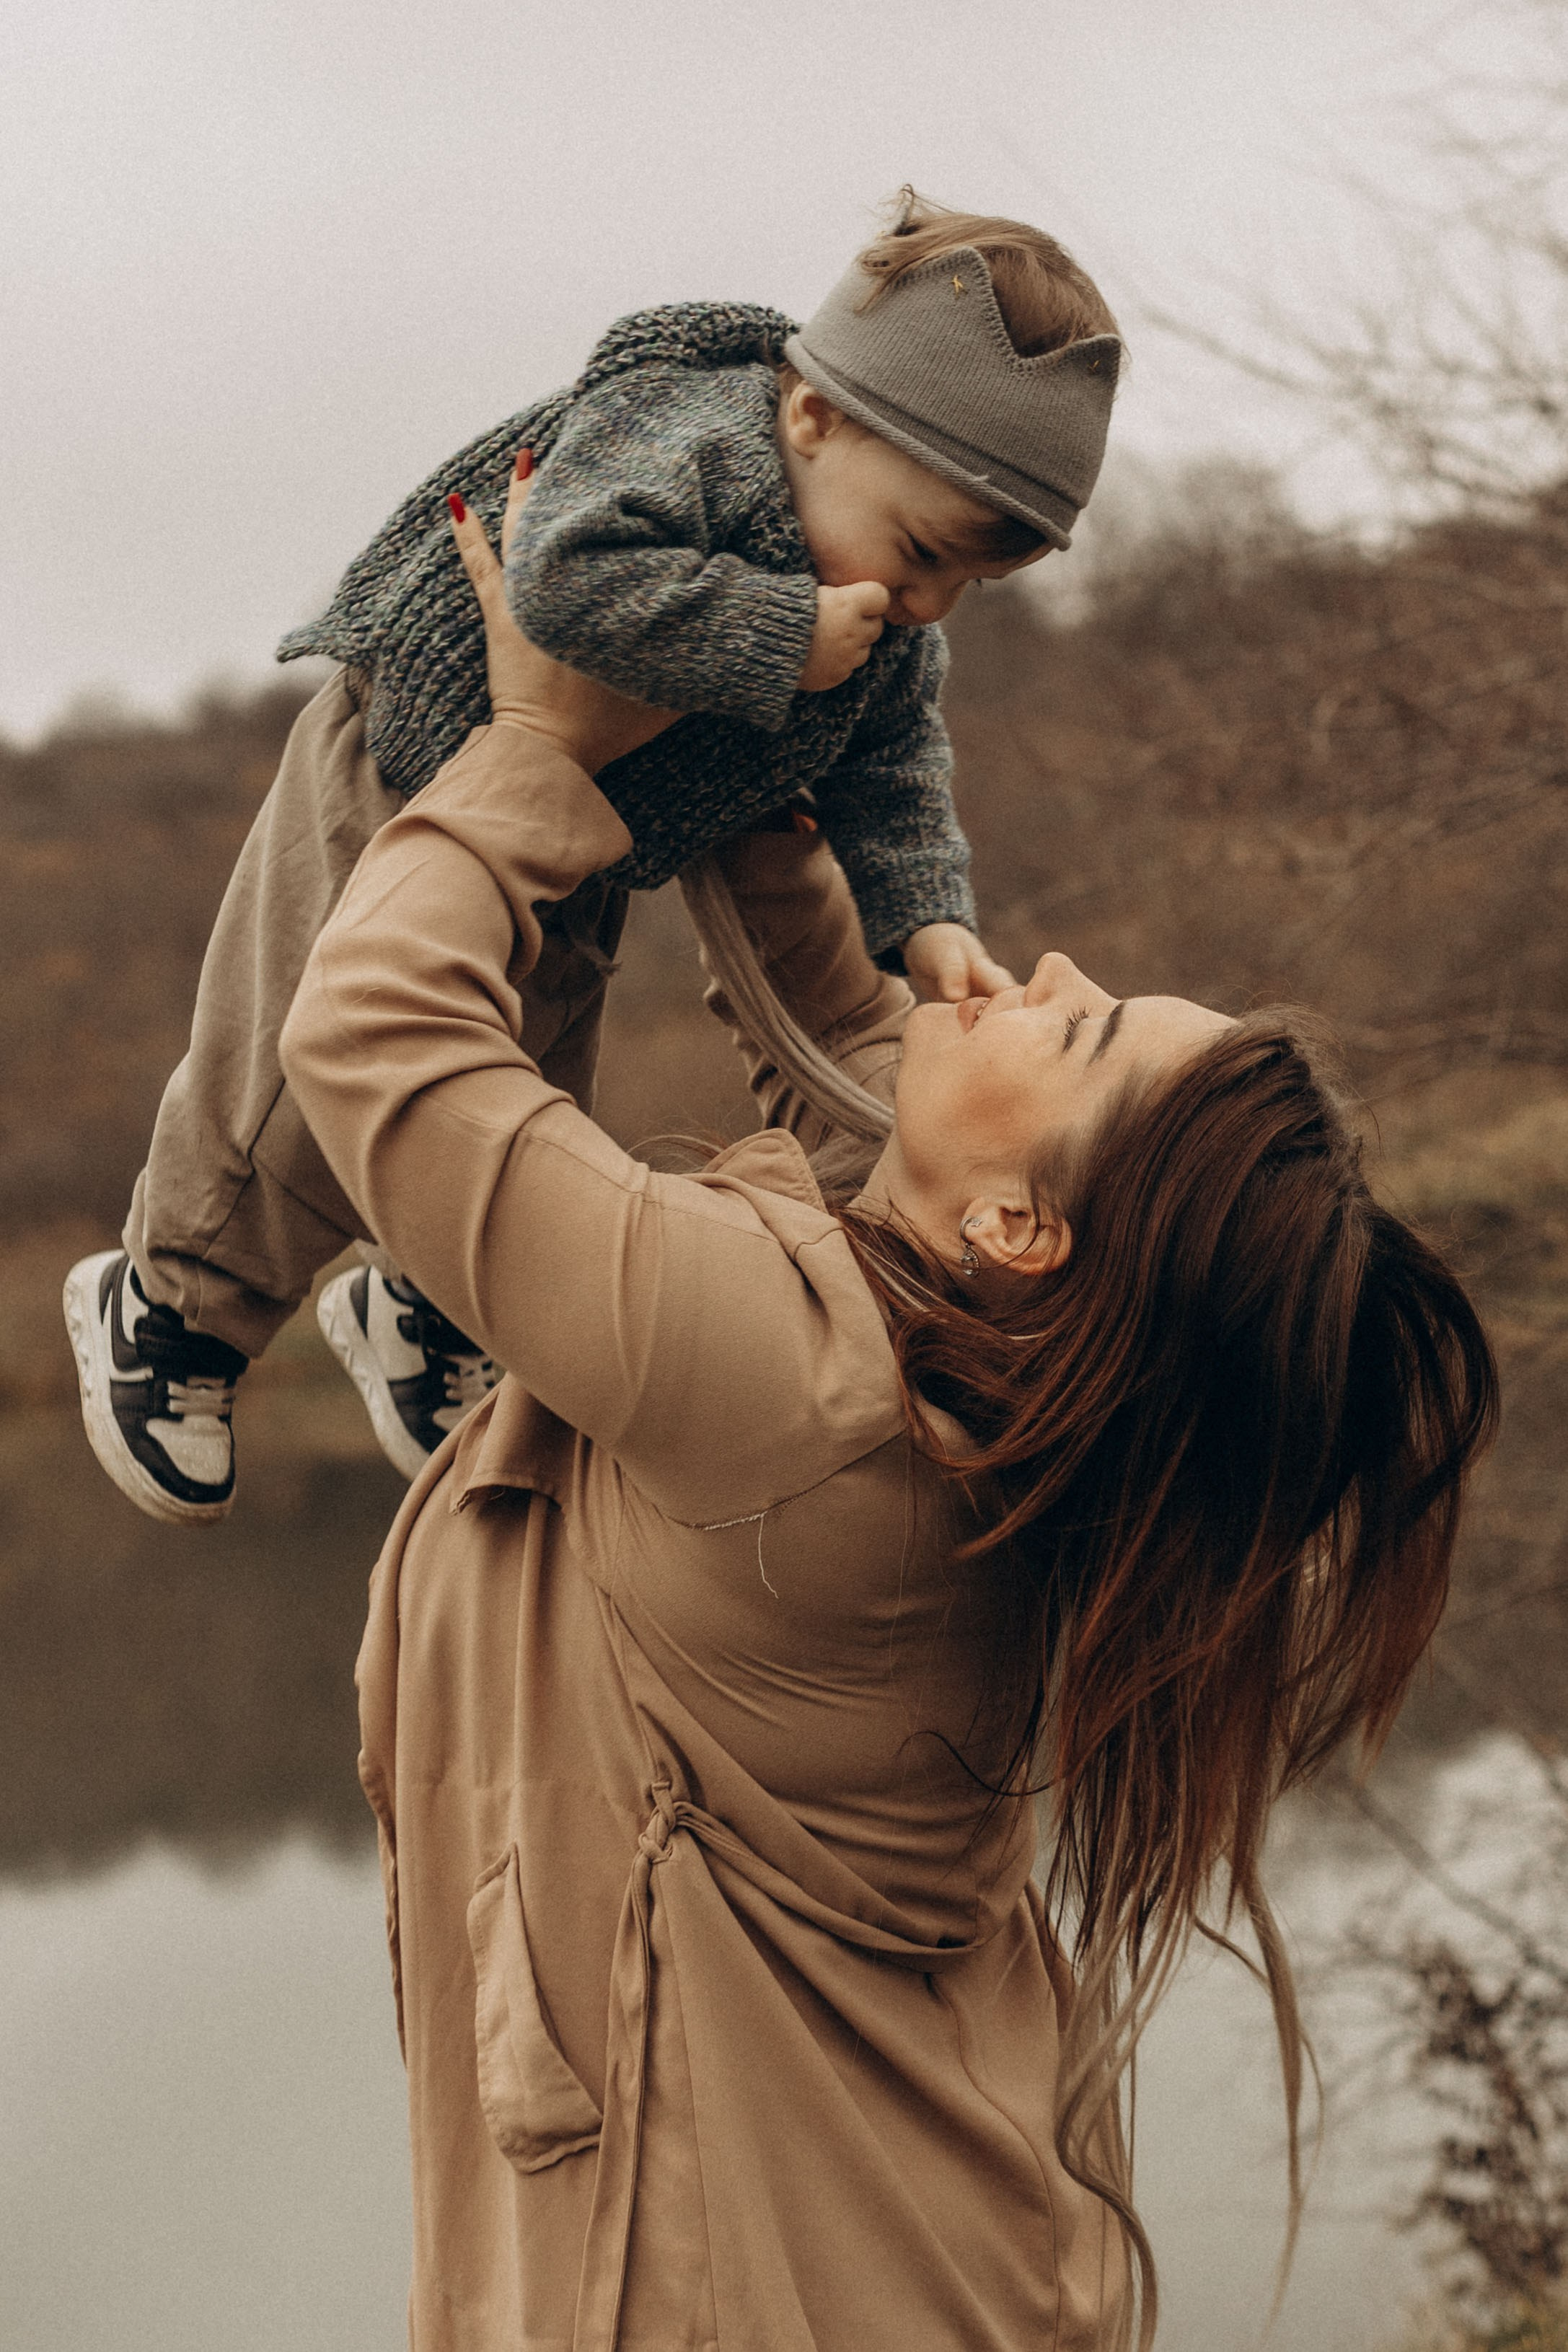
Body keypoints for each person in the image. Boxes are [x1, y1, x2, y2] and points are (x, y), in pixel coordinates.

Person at [267, 483, 1498, 2349]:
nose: (1051, 969)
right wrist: (761, 711)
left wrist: (537, 746)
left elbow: (374, 1040)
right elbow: (850, 1044)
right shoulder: (981, 1389)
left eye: (1079, 1029)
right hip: (907, 2254)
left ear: (1021, 1227)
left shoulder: (800, 1394)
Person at [63, 190, 1122, 1523]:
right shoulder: (692, 428)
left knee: (524, 1089)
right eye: (920, 553)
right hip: (410, 764)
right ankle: (173, 1305)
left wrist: (926, 919)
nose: (922, 604)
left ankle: (421, 1304)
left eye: (967, 583)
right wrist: (777, 628)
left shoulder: (889, 607)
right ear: (814, 418)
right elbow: (566, 574)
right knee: (292, 1068)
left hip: (587, 840)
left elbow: (896, 761)